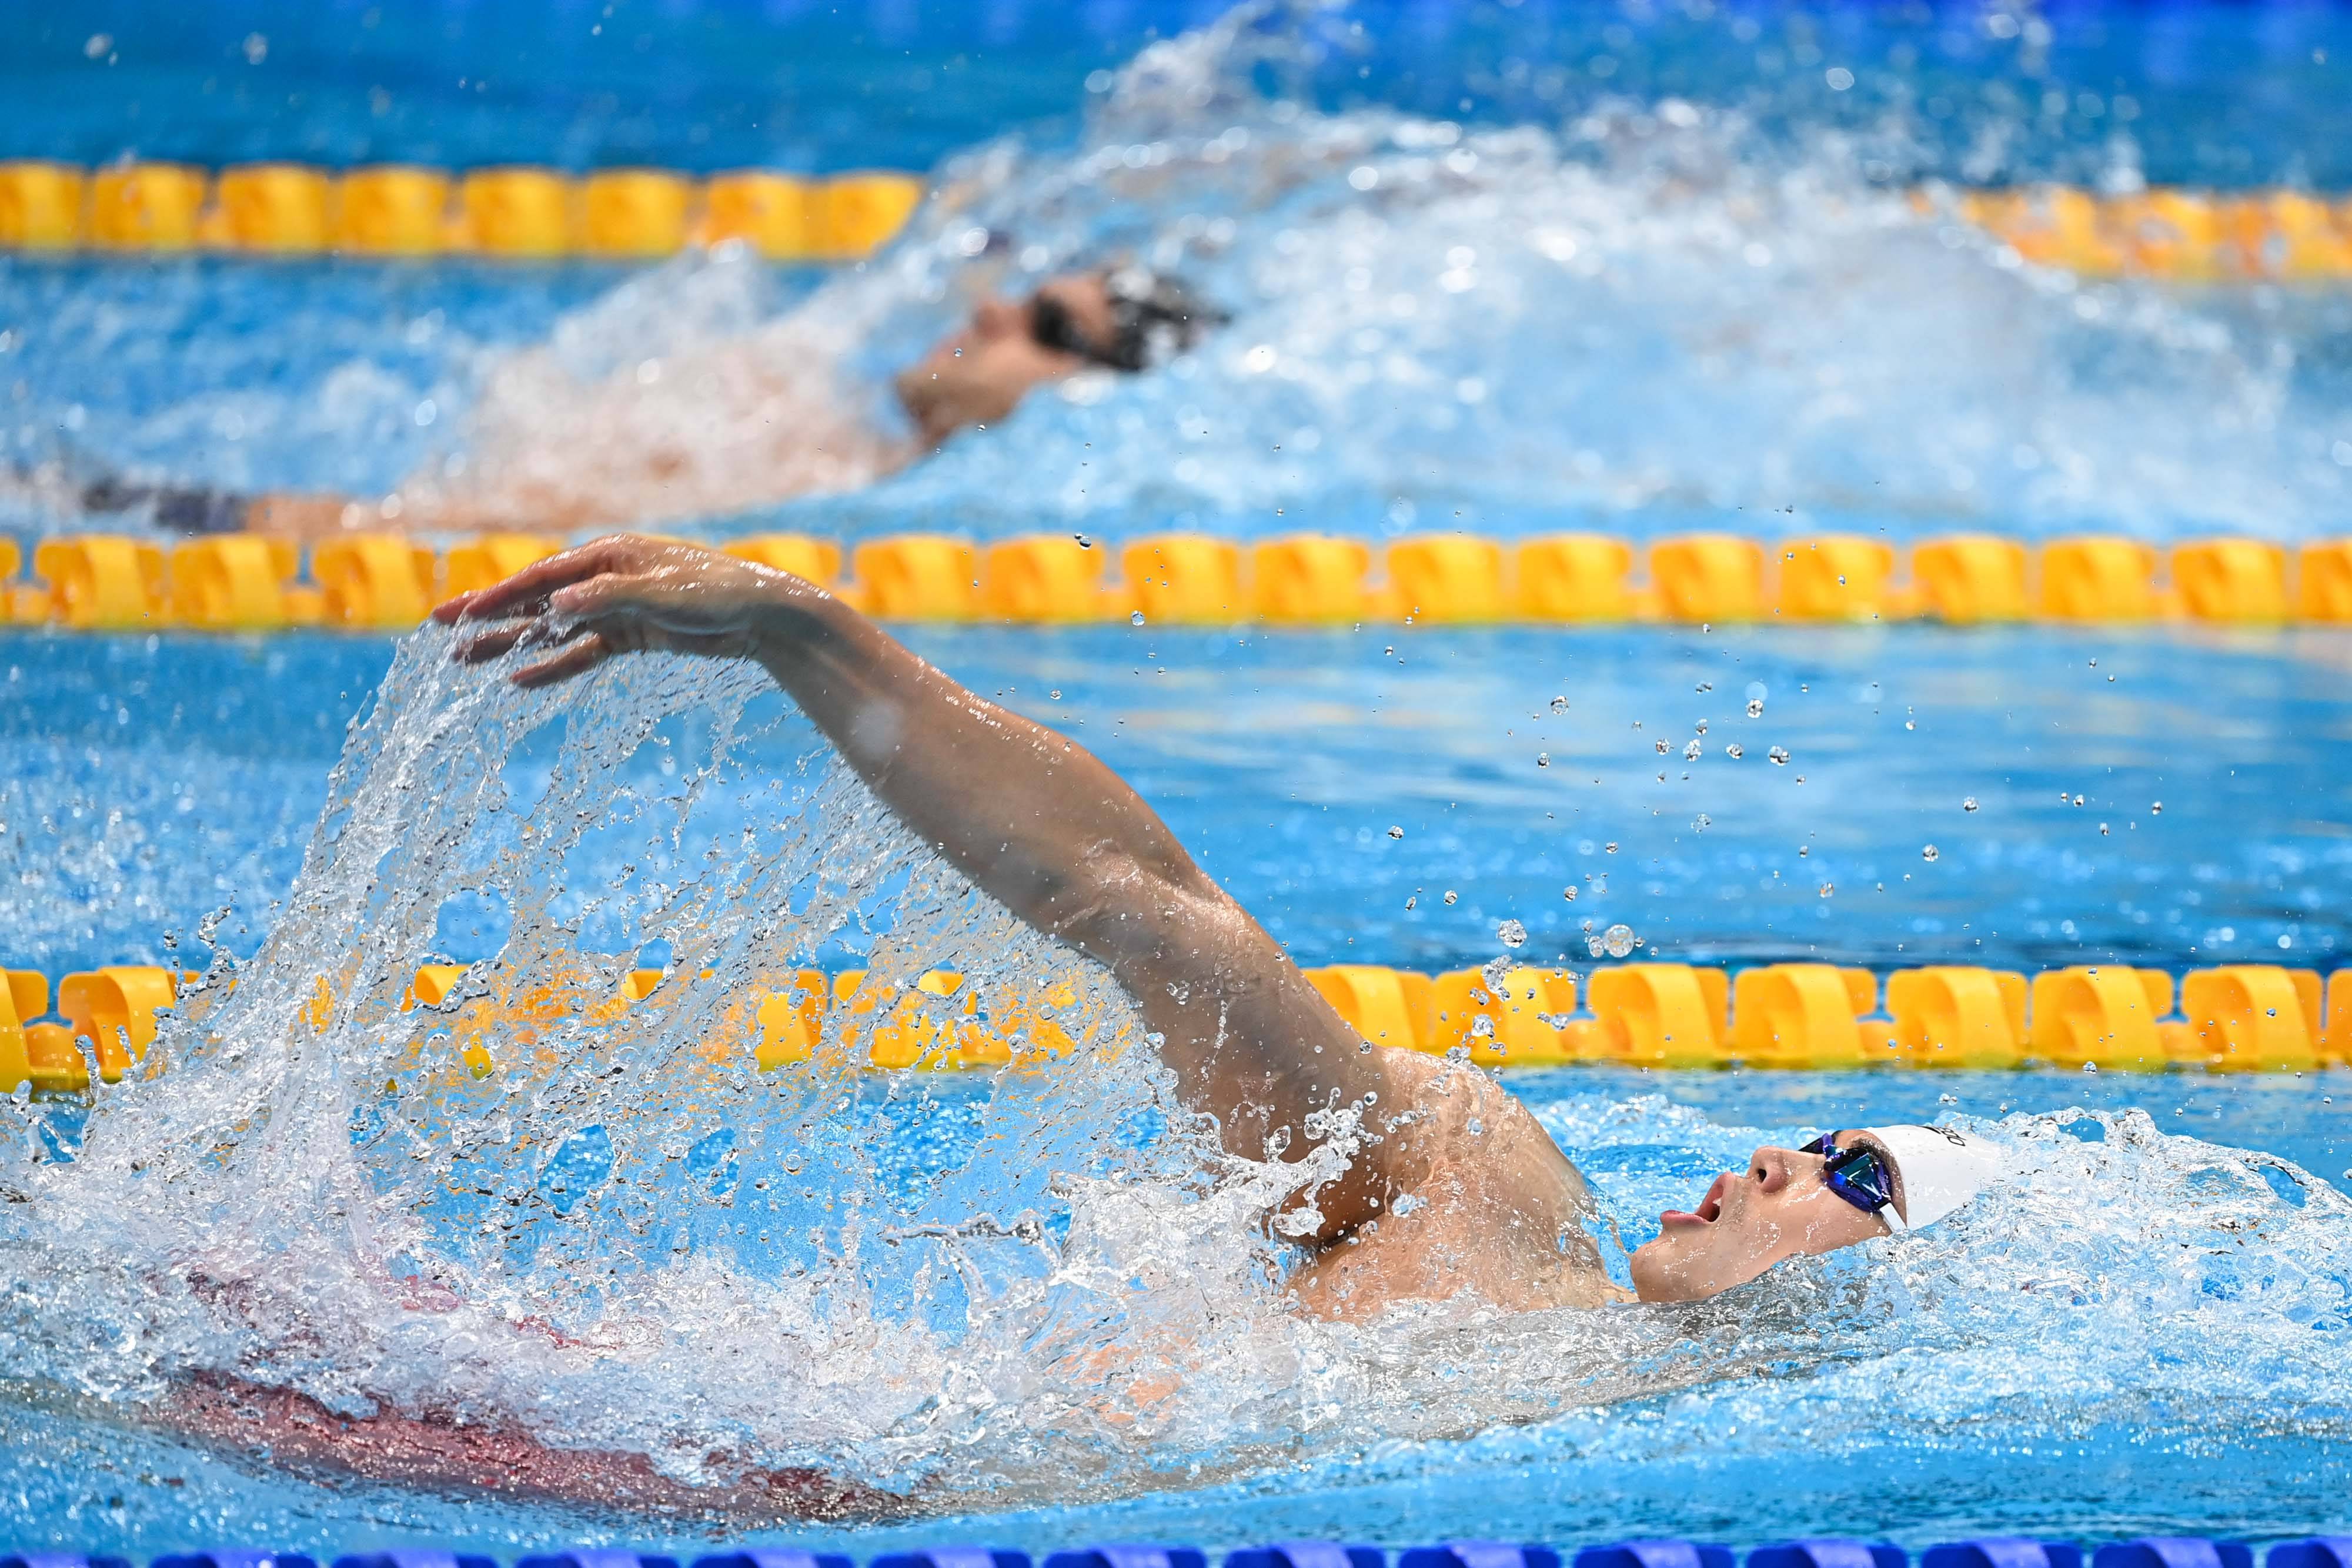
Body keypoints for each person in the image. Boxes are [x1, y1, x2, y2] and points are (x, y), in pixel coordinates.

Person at [435, 534, 2007, 1318]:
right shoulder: (1485, 1180)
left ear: (1894, 1289)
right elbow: (1155, 922)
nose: (1776, 1158)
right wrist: (807, 630)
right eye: (1818, 1135)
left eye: (1855, 1175)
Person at [59, 266, 1221, 539]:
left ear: (1084, 392)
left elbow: (447, 521)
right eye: (1024, 295)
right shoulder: (820, 440)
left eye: (1050, 328)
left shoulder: (854, 506)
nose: (988, 313)